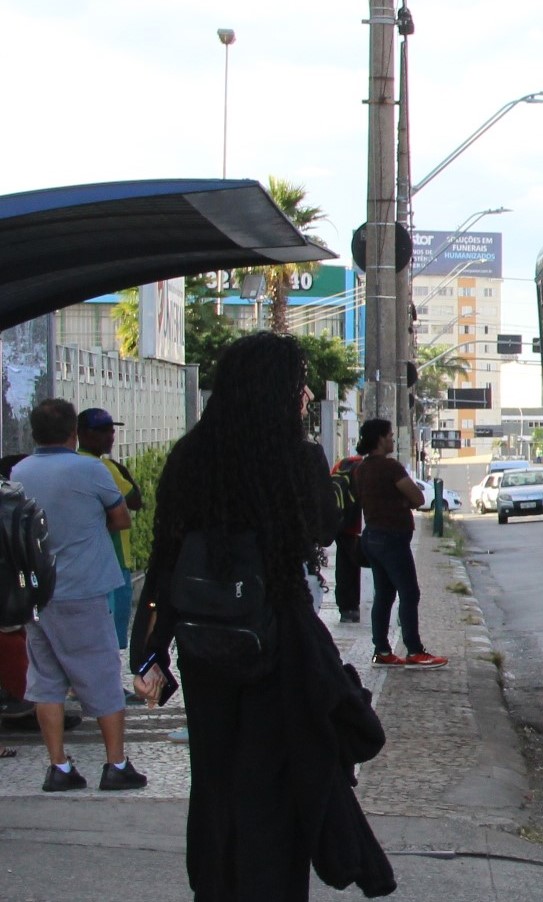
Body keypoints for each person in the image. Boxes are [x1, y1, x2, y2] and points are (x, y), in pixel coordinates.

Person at [131, 333, 394, 899]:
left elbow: (165, 553)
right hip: (276, 643)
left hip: (204, 646)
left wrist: (150, 646)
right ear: (277, 391)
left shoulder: (189, 455)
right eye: (297, 386)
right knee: (273, 785)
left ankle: (216, 887)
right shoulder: (295, 457)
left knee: (215, 782)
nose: (303, 396)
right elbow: (323, 527)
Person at [12, 398, 143, 792]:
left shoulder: (20, 471)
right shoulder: (89, 469)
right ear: (73, 433)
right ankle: (116, 764)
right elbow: (121, 518)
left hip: (37, 594)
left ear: (33, 433)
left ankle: (59, 767)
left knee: (46, 681)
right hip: (83, 589)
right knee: (101, 673)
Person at [354, 419, 448, 669]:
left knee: (383, 595)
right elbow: (418, 497)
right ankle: (414, 650)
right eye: (390, 435)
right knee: (409, 592)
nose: (393, 439)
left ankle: (382, 650)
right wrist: (403, 503)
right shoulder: (391, 468)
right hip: (392, 538)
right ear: (380, 438)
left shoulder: (361, 469)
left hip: (371, 536)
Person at [76, 408, 143, 672]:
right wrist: (122, 469)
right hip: (113, 559)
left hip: (93, 561)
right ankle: (110, 685)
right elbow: (135, 500)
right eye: (103, 430)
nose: (111, 436)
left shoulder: (75, 463)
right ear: (82, 434)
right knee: (111, 632)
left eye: (111, 429)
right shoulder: (103, 467)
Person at [331, 454, 364, 623]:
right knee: (358, 565)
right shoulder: (363, 467)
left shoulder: (341, 465)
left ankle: (345, 608)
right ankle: (354, 607)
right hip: (357, 524)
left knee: (343, 566)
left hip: (341, 522)